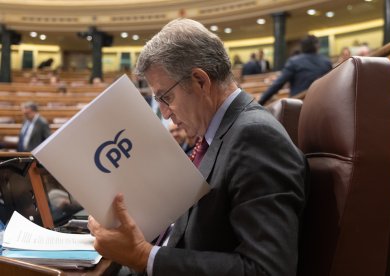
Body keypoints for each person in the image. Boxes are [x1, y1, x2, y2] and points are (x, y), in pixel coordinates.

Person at [88, 18, 308, 276]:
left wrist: (143, 257)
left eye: (165, 97)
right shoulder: (217, 134)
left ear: (200, 81)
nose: (165, 113)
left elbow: (268, 270)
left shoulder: (256, 137)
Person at [258, 35, 332, 105]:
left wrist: (260, 102)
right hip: (322, 104)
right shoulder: (327, 62)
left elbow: (278, 84)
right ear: (317, 46)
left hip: (298, 105)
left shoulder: (294, 62)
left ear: (302, 47)